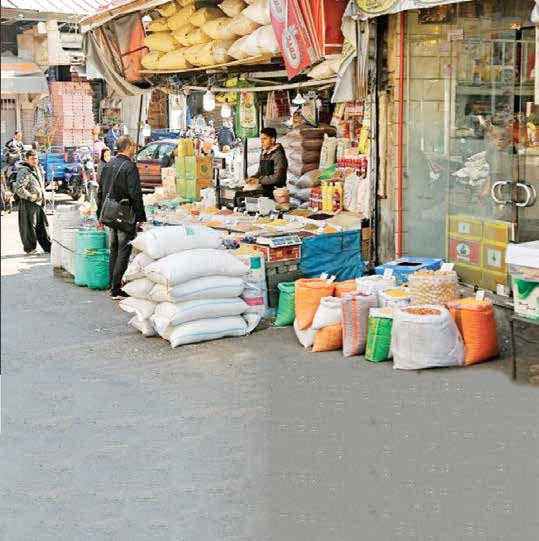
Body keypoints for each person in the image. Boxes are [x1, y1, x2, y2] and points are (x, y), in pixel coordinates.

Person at [97, 135, 146, 299]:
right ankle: (116, 288)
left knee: (114, 249)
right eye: (133, 146)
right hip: (124, 215)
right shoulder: (129, 166)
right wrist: (140, 216)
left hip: (110, 213)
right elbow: (135, 193)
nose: (134, 149)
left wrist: (100, 215)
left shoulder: (108, 164)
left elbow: (101, 191)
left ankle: (112, 283)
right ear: (129, 147)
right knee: (124, 250)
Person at [15, 149, 51, 255]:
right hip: (28, 203)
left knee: (42, 226)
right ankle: (30, 248)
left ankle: (48, 247)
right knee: (29, 227)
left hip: (39, 202)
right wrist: (31, 197)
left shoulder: (37, 169)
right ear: (27, 159)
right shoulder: (24, 171)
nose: (35, 160)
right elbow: (20, 189)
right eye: (32, 159)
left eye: (36, 158)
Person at [247, 127, 288, 198]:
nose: (262, 142)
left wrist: (259, 180)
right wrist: (253, 177)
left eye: (265, 139)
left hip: (277, 193)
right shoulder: (264, 154)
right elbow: (260, 171)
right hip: (266, 191)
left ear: (272, 140)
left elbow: (277, 178)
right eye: (261, 139)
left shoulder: (278, 155)